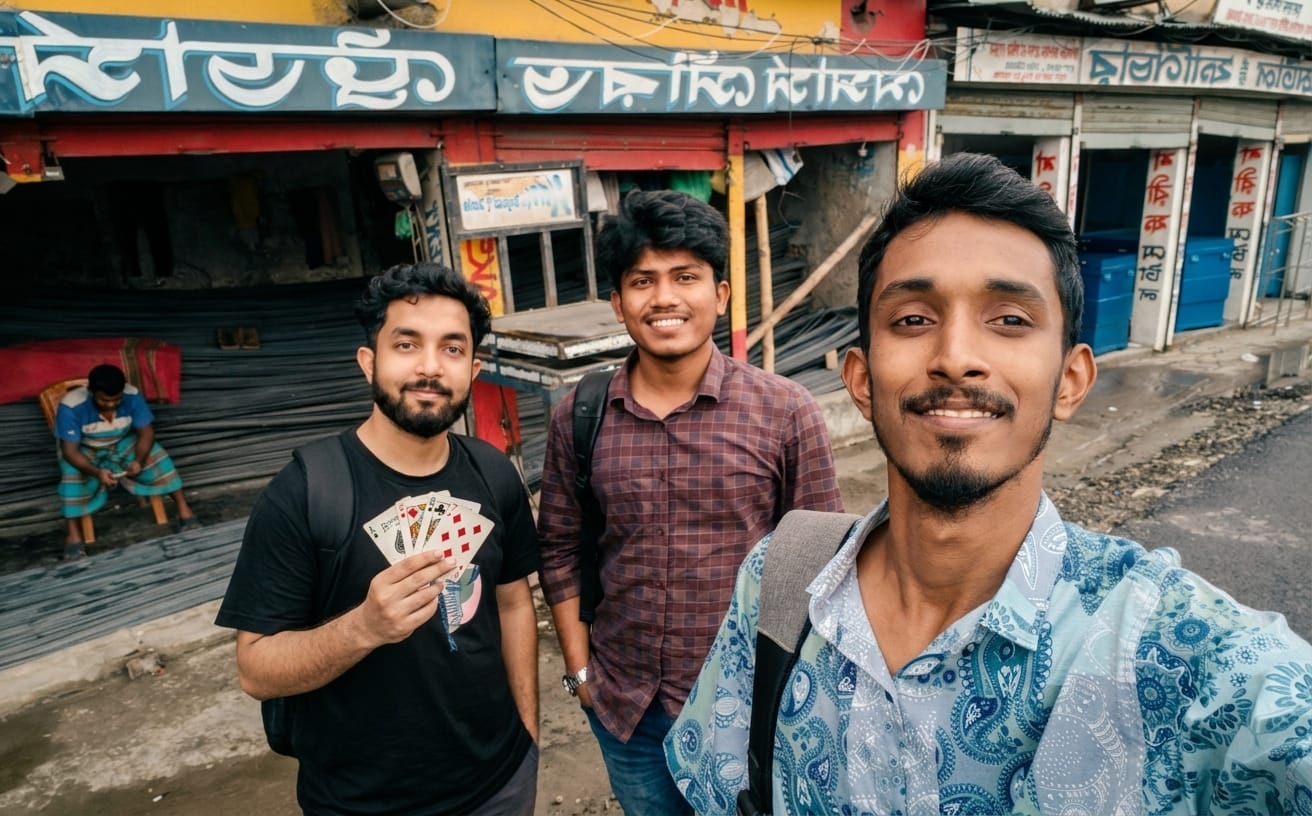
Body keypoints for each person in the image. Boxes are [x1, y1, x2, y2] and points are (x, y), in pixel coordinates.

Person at [664, 153, 1312, 814]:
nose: (956, 357)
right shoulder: (776, 584)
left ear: (1070, 380)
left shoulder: (1173, 647)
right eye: (913, 319)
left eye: (1009, 320)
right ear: (860, 380)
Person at [536, 189, 844, 816]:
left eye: (685, 277)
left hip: (751, 709)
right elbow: (560, 548)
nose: (665, 298)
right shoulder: (581, 414)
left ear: (721, 294)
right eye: (642, 280)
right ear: (618, 302)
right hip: (628, 709)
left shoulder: (785, 411)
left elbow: (823, 565)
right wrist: (580, 672)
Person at [216, 263, 541, 815]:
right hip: (360, 801)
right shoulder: (305, 491)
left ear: (474, 368)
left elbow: (512, 603)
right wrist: (363, 628)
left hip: (500, 782)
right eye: (407, 344)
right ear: (370, 361)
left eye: (453, 349)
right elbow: (256, 670)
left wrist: (529, 730)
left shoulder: (492, 471)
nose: (431, 367)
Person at [54, 363, 198, 560]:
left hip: (121, 441)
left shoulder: (132, 395)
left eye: (116, 399)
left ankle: (185, 513)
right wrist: (97, 472)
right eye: (105, 400)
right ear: (91, 392)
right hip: (85, 448)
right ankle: (73, 536)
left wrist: (139, 460)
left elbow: (146, 433)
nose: (112, 405)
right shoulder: (71, 406)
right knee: (71, 474)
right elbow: (70, 451)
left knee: (157, 456)